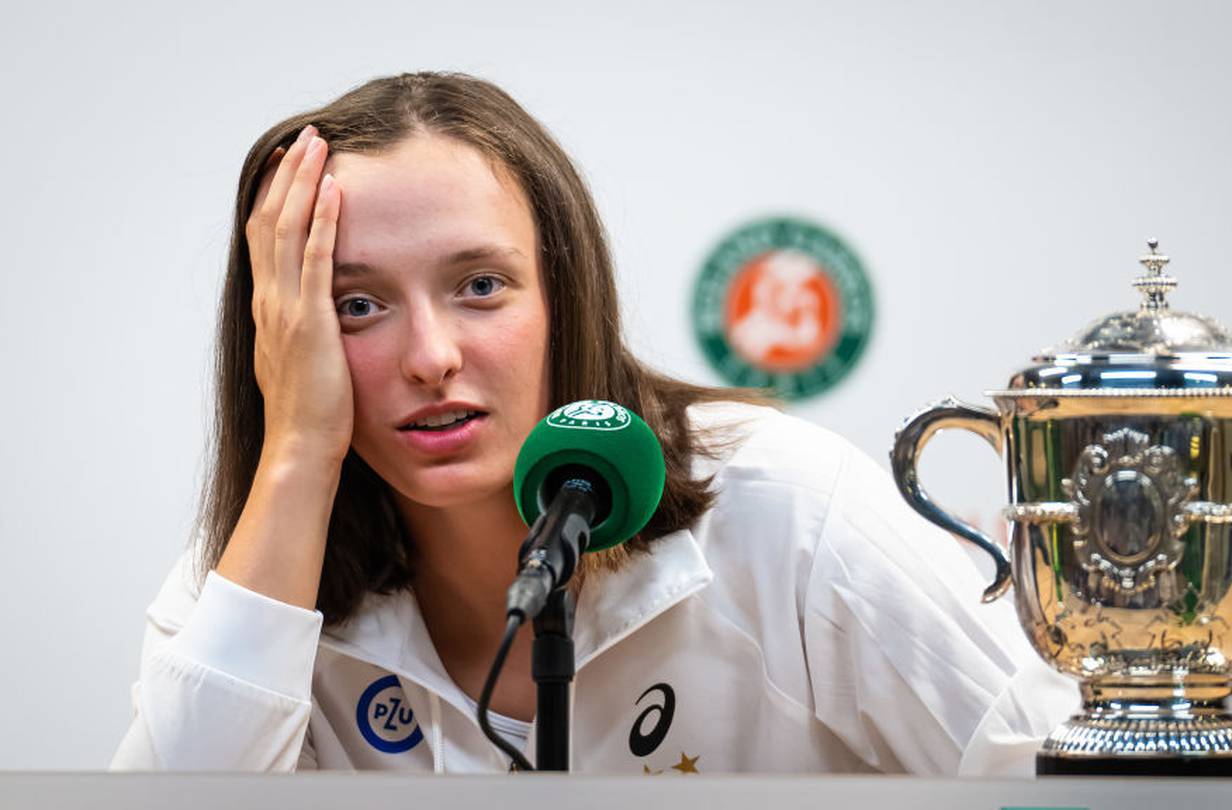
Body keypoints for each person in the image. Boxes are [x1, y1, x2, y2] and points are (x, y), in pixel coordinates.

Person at [111, 71, 1076, 774]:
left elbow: (1056, 777)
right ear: (284, 333)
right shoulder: (252, 571)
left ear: (564, 298)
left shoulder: (785, 507)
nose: (430, 356)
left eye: (480, 286)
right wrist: (297, 456)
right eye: (357, 305)